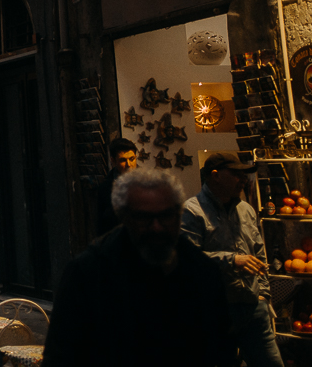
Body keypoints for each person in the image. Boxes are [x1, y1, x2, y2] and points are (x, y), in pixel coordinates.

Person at [43, 167, 235, 366]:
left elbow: (221, 348)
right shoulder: (89, 273)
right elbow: (61, 355)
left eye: (166, 216)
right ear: (124, 217)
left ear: (178, 215)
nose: (156, 227)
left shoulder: (202, 271)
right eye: (144, 218)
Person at [181, 152, 279, 367]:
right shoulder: (192, 210)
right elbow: (187, 259)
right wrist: (231, 260)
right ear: (215, 175)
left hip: (253, 305)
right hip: (216, 309)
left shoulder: (246, 210)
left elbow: (259, 253)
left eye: (244, 175)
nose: (243, 180)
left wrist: (263, 294)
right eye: (236, 174)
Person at [95, 137, 137, 237]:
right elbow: (100, 225)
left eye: (132, 159)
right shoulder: (105, 188)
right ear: (113, 161)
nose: (129, 165)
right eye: (123, 160)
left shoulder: (148, 182)